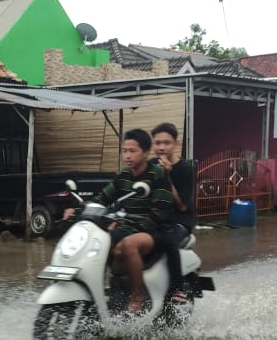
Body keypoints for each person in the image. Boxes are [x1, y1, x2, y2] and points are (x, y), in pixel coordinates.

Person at [64, 128, 174, 313]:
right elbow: (102, 199)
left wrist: (127, 231)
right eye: (124, 151)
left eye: (133, 151)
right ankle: (101, 292)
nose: (127, 156)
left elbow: (159, 214)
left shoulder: (157, 175)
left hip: (155, 230)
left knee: (129, 245)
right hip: (129, 227)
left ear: (146, 153)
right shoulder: (123, 176)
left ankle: (136, 298)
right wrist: (76, 211)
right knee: (98, 242)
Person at [150, 123, 196, 302]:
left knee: (168, 240)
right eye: (158, 143)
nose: (161, 147)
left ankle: (176, 289)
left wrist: (166, 176)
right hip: (156, 218)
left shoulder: (185, 169)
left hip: (179, 220)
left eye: (166, 143)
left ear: (175, 144)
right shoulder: (150, 165)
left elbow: (182, 205)